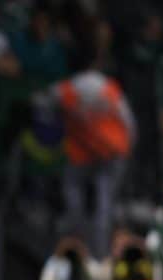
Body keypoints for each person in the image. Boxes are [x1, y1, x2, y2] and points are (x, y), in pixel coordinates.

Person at [51, 46, 135, 257]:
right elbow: (129, 121)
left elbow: (42, 103)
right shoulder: (107, 87)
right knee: (105, 200)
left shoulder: (67, 89)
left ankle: (80, 241)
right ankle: (100, 253)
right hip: (112, 149)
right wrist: (129, 148)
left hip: (86, 152)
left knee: (72, 190)